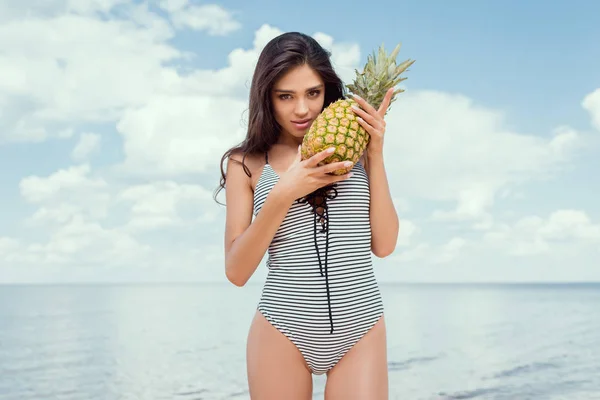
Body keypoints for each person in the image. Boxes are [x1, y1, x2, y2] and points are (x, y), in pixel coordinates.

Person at [215, 31, 400, 399]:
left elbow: (384, 245)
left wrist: (375, 154)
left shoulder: (359, 149)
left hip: (361, 326)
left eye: (312, 93)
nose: (302, 109)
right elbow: (236, 271)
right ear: (266, 96)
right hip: (281, 329)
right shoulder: (247, 162)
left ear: (327, 91)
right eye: (286, 96)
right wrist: (284, 193)